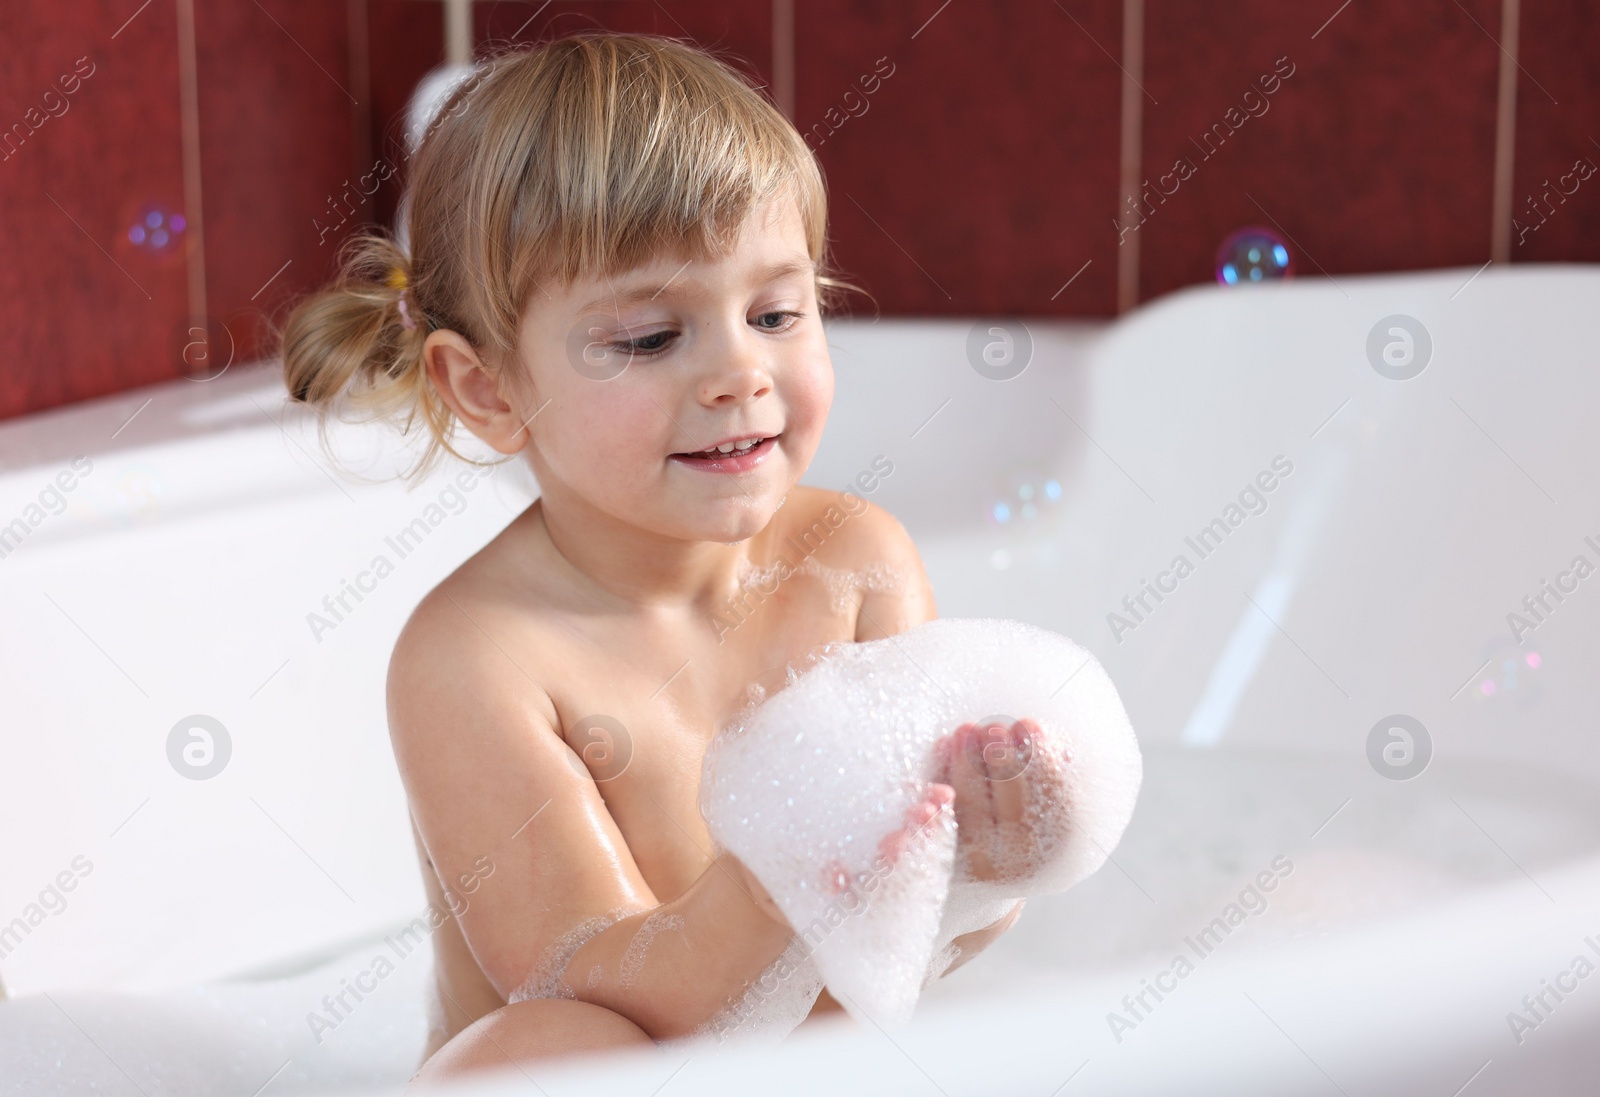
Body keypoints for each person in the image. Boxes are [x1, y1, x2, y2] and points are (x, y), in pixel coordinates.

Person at [279, 32, 1060, 1085]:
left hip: (802, 1069)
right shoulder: (479, 656)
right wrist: (789, 870)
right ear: (488, 390)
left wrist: (989, 870)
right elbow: (589, 982)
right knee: (558, 1043)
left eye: (777, 312)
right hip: (569, 1068)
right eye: (649, 337)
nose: (741, 370)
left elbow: (898, 956)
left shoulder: (856, 562)